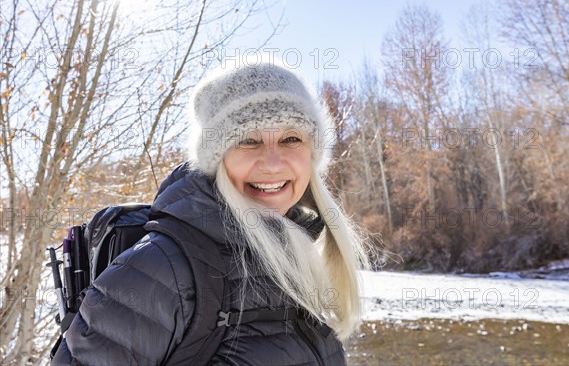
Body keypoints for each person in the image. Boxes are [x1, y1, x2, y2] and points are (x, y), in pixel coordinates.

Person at [52, 60, 372, 365]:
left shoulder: (298, 256)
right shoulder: (160, 268)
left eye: (291, 138)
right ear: (216, 158)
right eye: (248, 140)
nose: (273, 163)